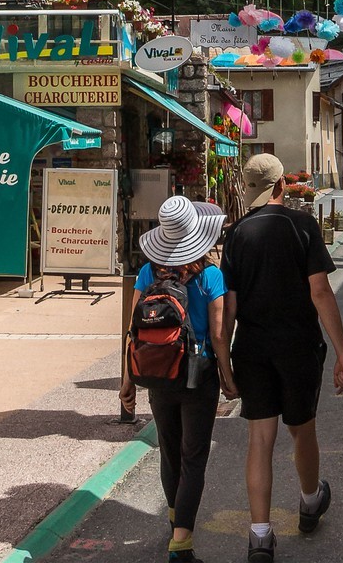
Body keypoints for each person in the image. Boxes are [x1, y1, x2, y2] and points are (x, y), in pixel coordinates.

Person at [222, 154, 343, 563]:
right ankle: (310, 501)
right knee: (302, 428)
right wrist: (342, 351)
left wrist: (225, 362)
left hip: (252, 349)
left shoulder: (236, 234)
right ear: (281, 186)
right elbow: (320, 292)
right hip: (298, 347)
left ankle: (260, 536)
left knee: (260, 439)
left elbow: (229, 306)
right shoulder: (302, 226)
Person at [120, 196, 236, 563]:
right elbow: (219, 335)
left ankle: (175, 521)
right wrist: (228, 378)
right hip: (197, 377)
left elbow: (132, 330)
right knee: (194, 457)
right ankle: (181, 543)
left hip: (156, 373)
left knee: (170, 454)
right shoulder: (212, 275)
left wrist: (126, 381)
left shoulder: (147, 273)